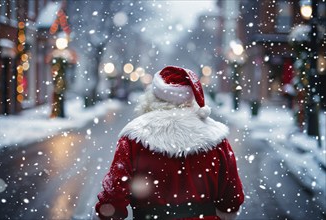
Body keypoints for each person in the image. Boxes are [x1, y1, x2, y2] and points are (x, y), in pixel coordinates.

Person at [95, 66, 244, 220]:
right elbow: (231, 198)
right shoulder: (216, 138)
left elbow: (113, 197)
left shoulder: (134, 137)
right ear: (190, 99)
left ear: (152, 96)